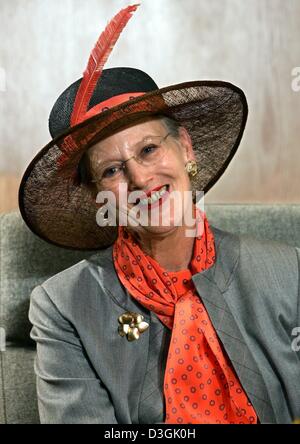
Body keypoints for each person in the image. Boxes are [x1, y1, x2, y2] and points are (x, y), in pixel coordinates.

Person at [19, 5, 300, 424]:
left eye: (149, 149)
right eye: (112, 170)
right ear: (96, 193)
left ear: (184, 148)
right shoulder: (63, 307)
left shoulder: (287, 270)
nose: (140, 178)